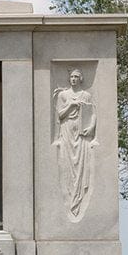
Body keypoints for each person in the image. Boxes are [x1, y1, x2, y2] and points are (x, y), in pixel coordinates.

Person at [52, 68, 98, 221]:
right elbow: (59, 115)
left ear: (81, 78)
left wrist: (91, 128)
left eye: (76, 76)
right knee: (68, 165)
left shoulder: (86, 95)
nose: (73, 79)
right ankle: (70, 198)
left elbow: (93, 113)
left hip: (82, 134)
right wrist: (71, 105)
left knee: (81, 168)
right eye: (71, 76)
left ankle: (78, 200)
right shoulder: (63, 95)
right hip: (66, 133)